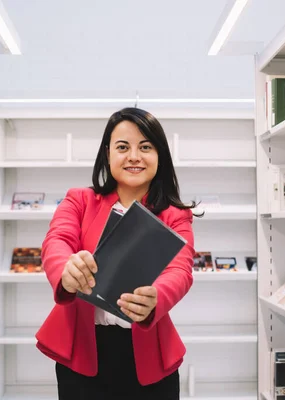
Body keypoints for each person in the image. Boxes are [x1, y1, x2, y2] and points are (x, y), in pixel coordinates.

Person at [35, 107, 198, 399]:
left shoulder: (175, 215)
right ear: (107, 153)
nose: (134, 156)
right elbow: (57, 241)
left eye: (145, 147)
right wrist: (67, 272)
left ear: (159, 156)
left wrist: (156, 297)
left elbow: (180, 270)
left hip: (148, 354)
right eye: (123, 147)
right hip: (82, 351)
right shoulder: (80, 200)